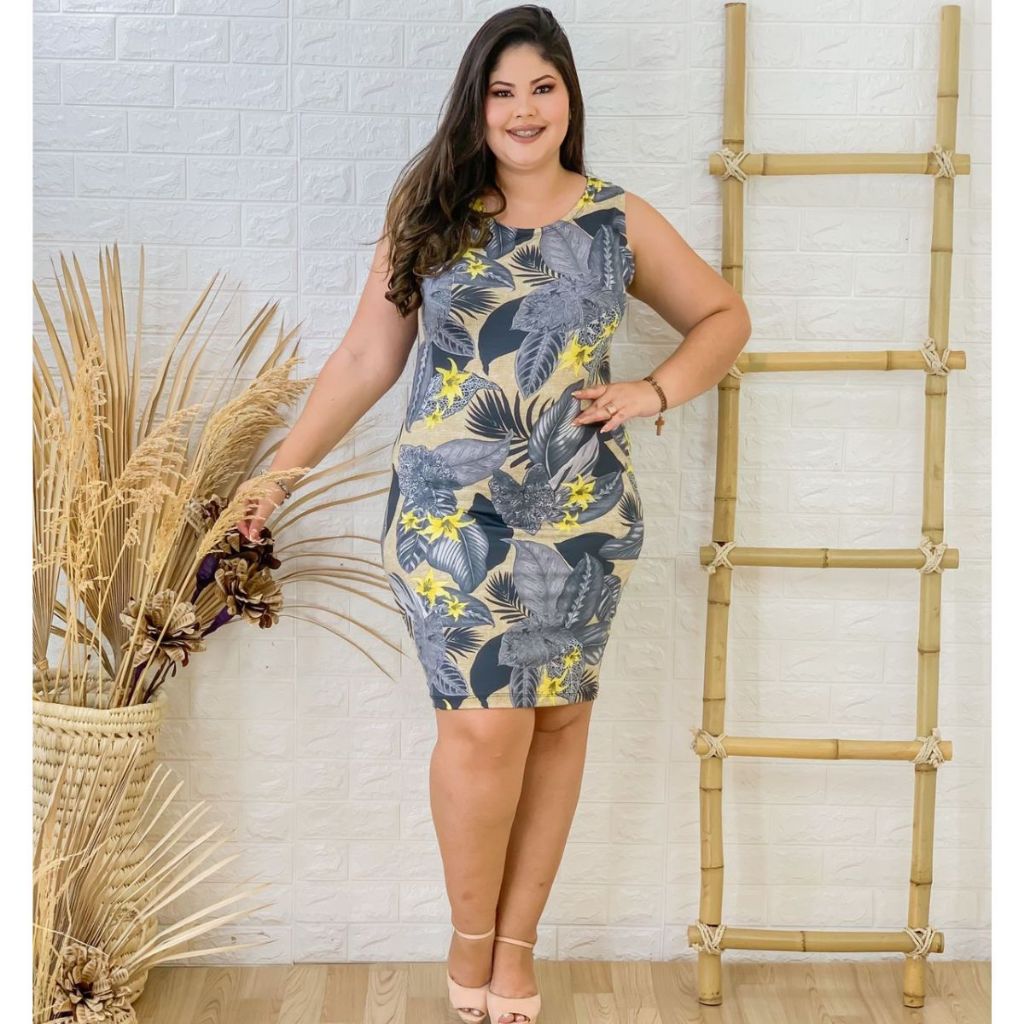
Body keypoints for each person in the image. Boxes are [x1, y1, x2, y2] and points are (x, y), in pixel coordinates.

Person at [236, 6, 750, 1022]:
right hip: (448, 516)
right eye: (503, 91)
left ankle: (515, 951)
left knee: (556, 722)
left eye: (542, 88)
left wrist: (652, 391)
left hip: (583, 514)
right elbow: (366, 357)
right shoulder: (432, 213)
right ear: (476, 105)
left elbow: (723, 316)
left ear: (569, 100)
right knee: (483, 732)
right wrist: (280, 474)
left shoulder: (617, 220)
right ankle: (469, 941)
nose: (523, 109)